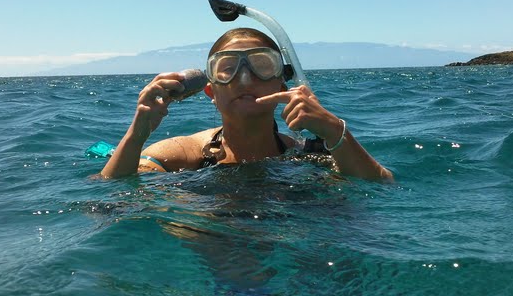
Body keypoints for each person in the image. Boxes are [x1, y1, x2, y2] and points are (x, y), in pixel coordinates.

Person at [100, 28, 393, 182]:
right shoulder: (181, 155)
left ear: (282, 88)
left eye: (262, 66)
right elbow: (111, 198)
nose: (244, 78)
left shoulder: (307, 157)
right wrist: (136, 136)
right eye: (227, 68)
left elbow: (381, 185)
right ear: (211, 92)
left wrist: (335, 131)